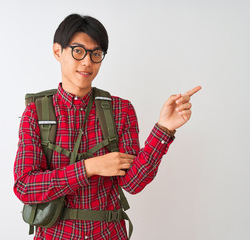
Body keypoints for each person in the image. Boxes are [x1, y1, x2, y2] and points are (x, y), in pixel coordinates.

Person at [13, 13, 201, 240]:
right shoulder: (37, 112)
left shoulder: (120, 110)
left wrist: (164, 128)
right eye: (78, 51)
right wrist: (88, 167)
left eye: (96, 54)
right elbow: (25, 186)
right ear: (57, 51)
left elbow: (133, 183)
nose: (87, 62)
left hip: (109, 234)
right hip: (55, 235)